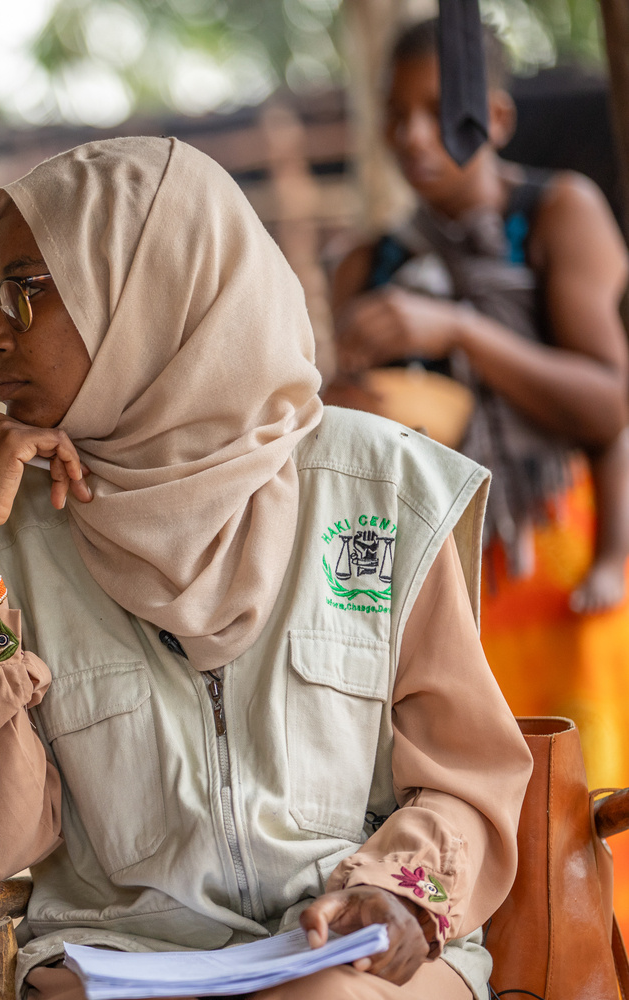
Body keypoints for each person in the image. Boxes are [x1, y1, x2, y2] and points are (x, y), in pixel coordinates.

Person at [0, 137, 533, 999]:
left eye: (26, 290)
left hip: (346, 950)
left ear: (152, 288)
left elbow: (471, 776)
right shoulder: (3, 536)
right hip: (116, 962)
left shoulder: (381, 490)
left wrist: (396, 894)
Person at [330, 20, 629, 912]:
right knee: (479, 804)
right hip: (447, 582)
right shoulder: (367, 266)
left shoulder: (557, 213)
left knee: (591, 807)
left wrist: (459, 330)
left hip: (565, 565)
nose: (415, 136)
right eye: (398, 116)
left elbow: (609, 404)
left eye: (439, 113)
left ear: (494, 117)